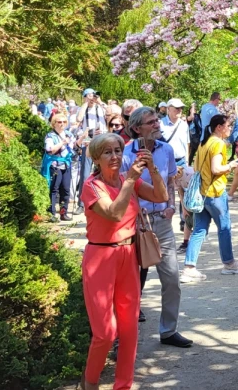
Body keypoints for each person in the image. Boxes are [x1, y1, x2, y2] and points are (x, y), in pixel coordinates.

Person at [78, 132, 168, 390]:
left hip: (129, 256)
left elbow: (161, 196)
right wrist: (130, 180)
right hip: (101, 259)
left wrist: (152, 168)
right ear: (96, 158)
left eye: (118, 150)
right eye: (108, 152)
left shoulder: (127, 179)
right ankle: (90, 382)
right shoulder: (91, 186)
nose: (115, 156)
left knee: (129, 328)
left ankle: (123, 385)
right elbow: (114, 213)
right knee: (105, 333)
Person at [122, 107, 192, 346]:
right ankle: (126, 336)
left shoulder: (167, 150)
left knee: (172, 278)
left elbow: (171, 180)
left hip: (161, 221)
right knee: (132, 282)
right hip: (134, 223)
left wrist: (171, 206)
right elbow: (121, 188)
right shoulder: (124, 153)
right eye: (151, 122)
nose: (157, 125)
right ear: (136, 129)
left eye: (157, 121)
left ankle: (169, 331)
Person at [182, 114, 238, 283]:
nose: (230, 129)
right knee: (224, 228)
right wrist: (231, 165)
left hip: (202, 193)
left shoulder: (205, 143)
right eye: (228, 125)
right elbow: (217, 168)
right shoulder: (218, 143)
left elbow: (197, 167)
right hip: (215, 192)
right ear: (219, 127)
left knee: (199, 230)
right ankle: (229, 263)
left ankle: (189, 268)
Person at [73, 88, 108, 213]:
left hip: (102, 142)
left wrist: (99, 101)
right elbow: (78, 118)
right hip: (88, 143)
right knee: (85, 174)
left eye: (93, 95)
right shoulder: (83, 108)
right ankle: (82, 203)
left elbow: (111, 112)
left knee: (104, 172)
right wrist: (86, 102)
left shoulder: (100, 107)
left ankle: (103, 199)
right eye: (88, 95)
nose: (92, 97)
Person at [44, 114, 77, 221]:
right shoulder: (50, 136)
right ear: (54, 124)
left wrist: (81, 140)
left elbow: (73, 147)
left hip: (66, 165)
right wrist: (62, 143)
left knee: (66, 189)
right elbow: (50, 150)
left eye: (64, 122)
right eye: (59, 122)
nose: (62, 124)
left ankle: (63, 212)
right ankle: (52, 213)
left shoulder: (69, 134)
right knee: (54, 189)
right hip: (55, 165)